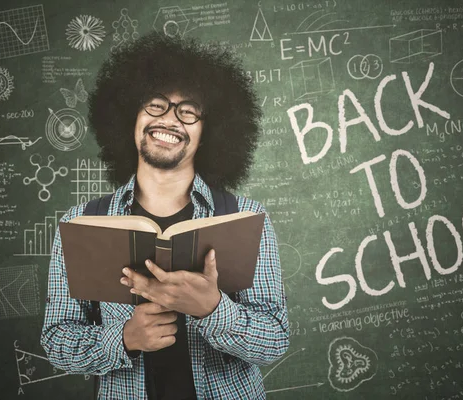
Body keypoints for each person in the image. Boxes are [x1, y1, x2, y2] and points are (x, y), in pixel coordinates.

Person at [41, 32, 289, 399]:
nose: (171, 120)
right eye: (156, 105)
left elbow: (275, 342)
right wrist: (124, 339)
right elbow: (56, 340)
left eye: (188, 111)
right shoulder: (82, 223)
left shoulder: (247, 218)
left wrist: (214, 310)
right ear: (130, 117)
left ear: (207, 133)